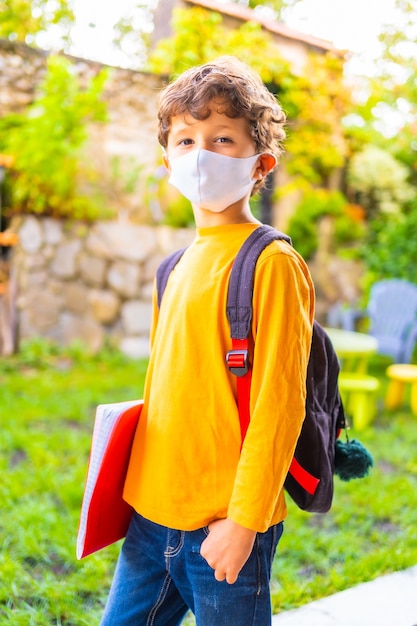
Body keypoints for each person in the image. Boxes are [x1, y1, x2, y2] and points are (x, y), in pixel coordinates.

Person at [100, 56, 315, 626]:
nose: (201, 154)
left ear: (260, 163)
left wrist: (243, 523)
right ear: (167, 160)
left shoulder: (271, 263)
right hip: (150, 516)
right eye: (186, 139)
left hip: (223, 526)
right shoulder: (175, 265)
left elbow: (279, 402)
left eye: (222, 139)